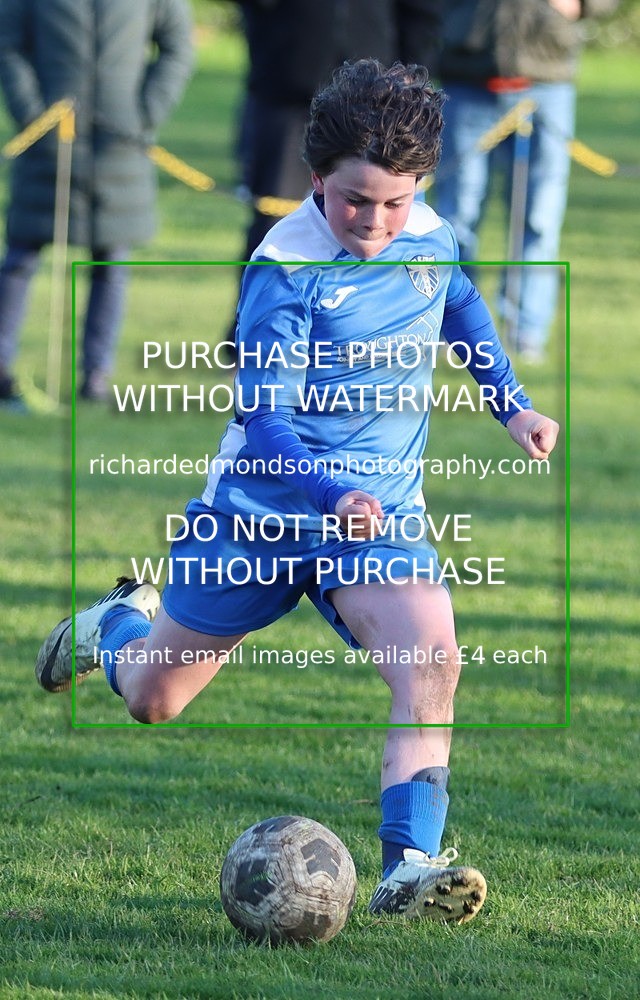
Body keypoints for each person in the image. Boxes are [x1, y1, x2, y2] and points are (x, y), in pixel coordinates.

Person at [35, 59, 559, 923]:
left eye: (396, 201)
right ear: (316, 180)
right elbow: (266, 418)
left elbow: (458, 303)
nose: (378, 221)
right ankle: (116, 625)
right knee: (153, 702)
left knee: (432, 661)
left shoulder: (427, 232)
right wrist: (328, 492)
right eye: (357, 200)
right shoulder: (283, 273)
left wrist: (513, 407)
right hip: (261, 516)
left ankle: (409, 869)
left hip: (376, 520)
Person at [0, 0, 194, 408]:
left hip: (120, 144)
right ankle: (2, 369)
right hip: (47, 140)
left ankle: (96, 377)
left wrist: (143, 115)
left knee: (111, 259)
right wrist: (33, 115)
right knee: (20, 256)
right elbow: (8, 44)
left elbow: (178, 45)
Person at [222, 0, 443, 357]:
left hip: (377, 108)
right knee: (273, 223)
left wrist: (409, 79)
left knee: (380, 227)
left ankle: (376, 341)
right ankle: (256, 342)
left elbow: (421, 12)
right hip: (289, 89)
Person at [434, 0, 619, 361]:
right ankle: (456, 329)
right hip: (468, 75)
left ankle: (526, 333)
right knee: (457, 218)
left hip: (546, 81)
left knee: (539, 219)